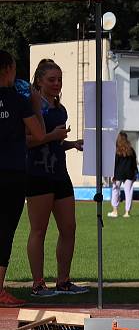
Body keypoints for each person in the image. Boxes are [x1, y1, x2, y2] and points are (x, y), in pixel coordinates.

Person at [26, 59, 88, 297]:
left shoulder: (61, 110)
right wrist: (52, 136)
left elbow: (56, 143)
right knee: (38, 230)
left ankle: (63, 281)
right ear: (39, 81)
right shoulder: (32, 108)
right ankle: (38, 284)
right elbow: (26, 141)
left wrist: (71, 144)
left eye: (59, 79)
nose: (57, 83)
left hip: (60, 175)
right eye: (51, 79)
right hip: (37, 175)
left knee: (69, 228)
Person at [0, 51, 57, 307]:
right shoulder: (16, 98)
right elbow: (40, 133)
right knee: (5, 231)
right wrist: (35, 102)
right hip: (10, 172)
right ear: (8, 70)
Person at [108, 131, 138, 218]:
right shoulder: (131, 150)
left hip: (118, 174)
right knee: (128, 192)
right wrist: (135, 173)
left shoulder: (116, 150)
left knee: (115, 191)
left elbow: (114, 163)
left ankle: (115, 211)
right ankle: (127, 212)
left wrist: (111, 174)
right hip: (129, 173)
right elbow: (134, 164)